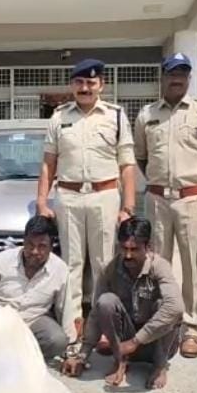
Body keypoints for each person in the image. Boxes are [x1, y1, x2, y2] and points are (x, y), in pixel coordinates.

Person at [37, 58, 136, 344]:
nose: (85, 88)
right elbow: (48, 163)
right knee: (71, 264)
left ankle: (104, 324)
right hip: (68, 196)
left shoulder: (115, 115)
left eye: (91, 82)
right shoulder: (59, 117)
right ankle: (73, 325)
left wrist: (128, 207)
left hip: (104, 195)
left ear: (101, 85)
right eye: (79, 82)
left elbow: (127, 165)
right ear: (72, 85)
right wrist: (42, 201)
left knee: (104, 263)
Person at [133, 53, 197, 358]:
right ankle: (163, 323)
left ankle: (192, 328)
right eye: (172, 73)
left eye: (183, 73)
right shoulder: (147, 114)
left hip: (192, 198)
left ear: (189, 78)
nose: (177, 78)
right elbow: (141, 157)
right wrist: (160, 183)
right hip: (157, 200)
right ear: (163, 76)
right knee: (156, 264)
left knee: (194, 266)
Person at [61, 218, 184, 390]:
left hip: (156, 343)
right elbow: (97, 313)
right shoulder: (110, 269)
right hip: (125, 346)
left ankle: (159, 366)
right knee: (106, 301)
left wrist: (136, 341)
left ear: (148, 247)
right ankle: (121, 361)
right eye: (124, 248)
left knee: (164, 305)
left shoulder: (159, 266)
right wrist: (82, 356)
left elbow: (176, 308)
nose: (128, 255)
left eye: (134, 249)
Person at [0, 215, 71, 359]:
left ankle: (18, 357)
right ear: (23, 241)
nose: (35, 251)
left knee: (57, 340)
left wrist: (71, 352)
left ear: (51, 247)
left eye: (42, 246)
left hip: (33, 321)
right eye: (30, 245)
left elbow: (65, 310)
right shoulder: (2, 260)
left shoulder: (60, 269)